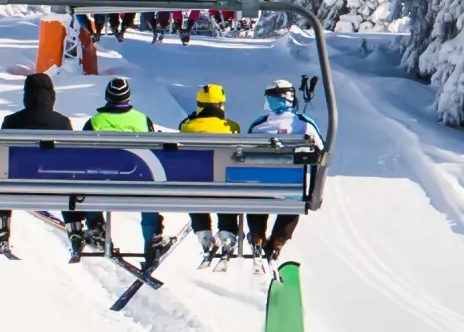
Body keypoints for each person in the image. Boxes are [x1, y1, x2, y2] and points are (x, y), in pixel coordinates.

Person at [82, 78, 167, 265]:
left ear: (107, 96)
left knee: (86, 182)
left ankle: (96, 226)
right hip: (139, 181)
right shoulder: (142, 120)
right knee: (151, 192)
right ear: (128, 96)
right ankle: (152, 238)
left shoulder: (95, 122)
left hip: (103, 182)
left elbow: (83, 155)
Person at [0, 73, 74, 249]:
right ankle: (74, 226)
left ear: (26, 95)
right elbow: (70, 156)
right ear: (52, 95)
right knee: (69, 177)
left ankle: (2, 224)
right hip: (56, 182)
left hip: (18, 181)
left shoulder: (12, 121)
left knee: (2, 174)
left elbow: (1, 152)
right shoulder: (62, 122)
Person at [245, 78, 318, 260]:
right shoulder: (304, 124)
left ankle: (257, 236)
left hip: (260, 189)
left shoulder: (258, 126)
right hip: (292, 189)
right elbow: (321, 151)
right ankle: (279, 239)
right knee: (294, 201)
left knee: (257, 198)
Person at [180, 83, 243, 264]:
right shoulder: (232, 127)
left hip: (197, 183)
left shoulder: (188, 127)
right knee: (227, 189)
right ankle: (227, 232)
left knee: (193, 189)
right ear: (221, 104)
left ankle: (203, 232)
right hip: (224, 183)